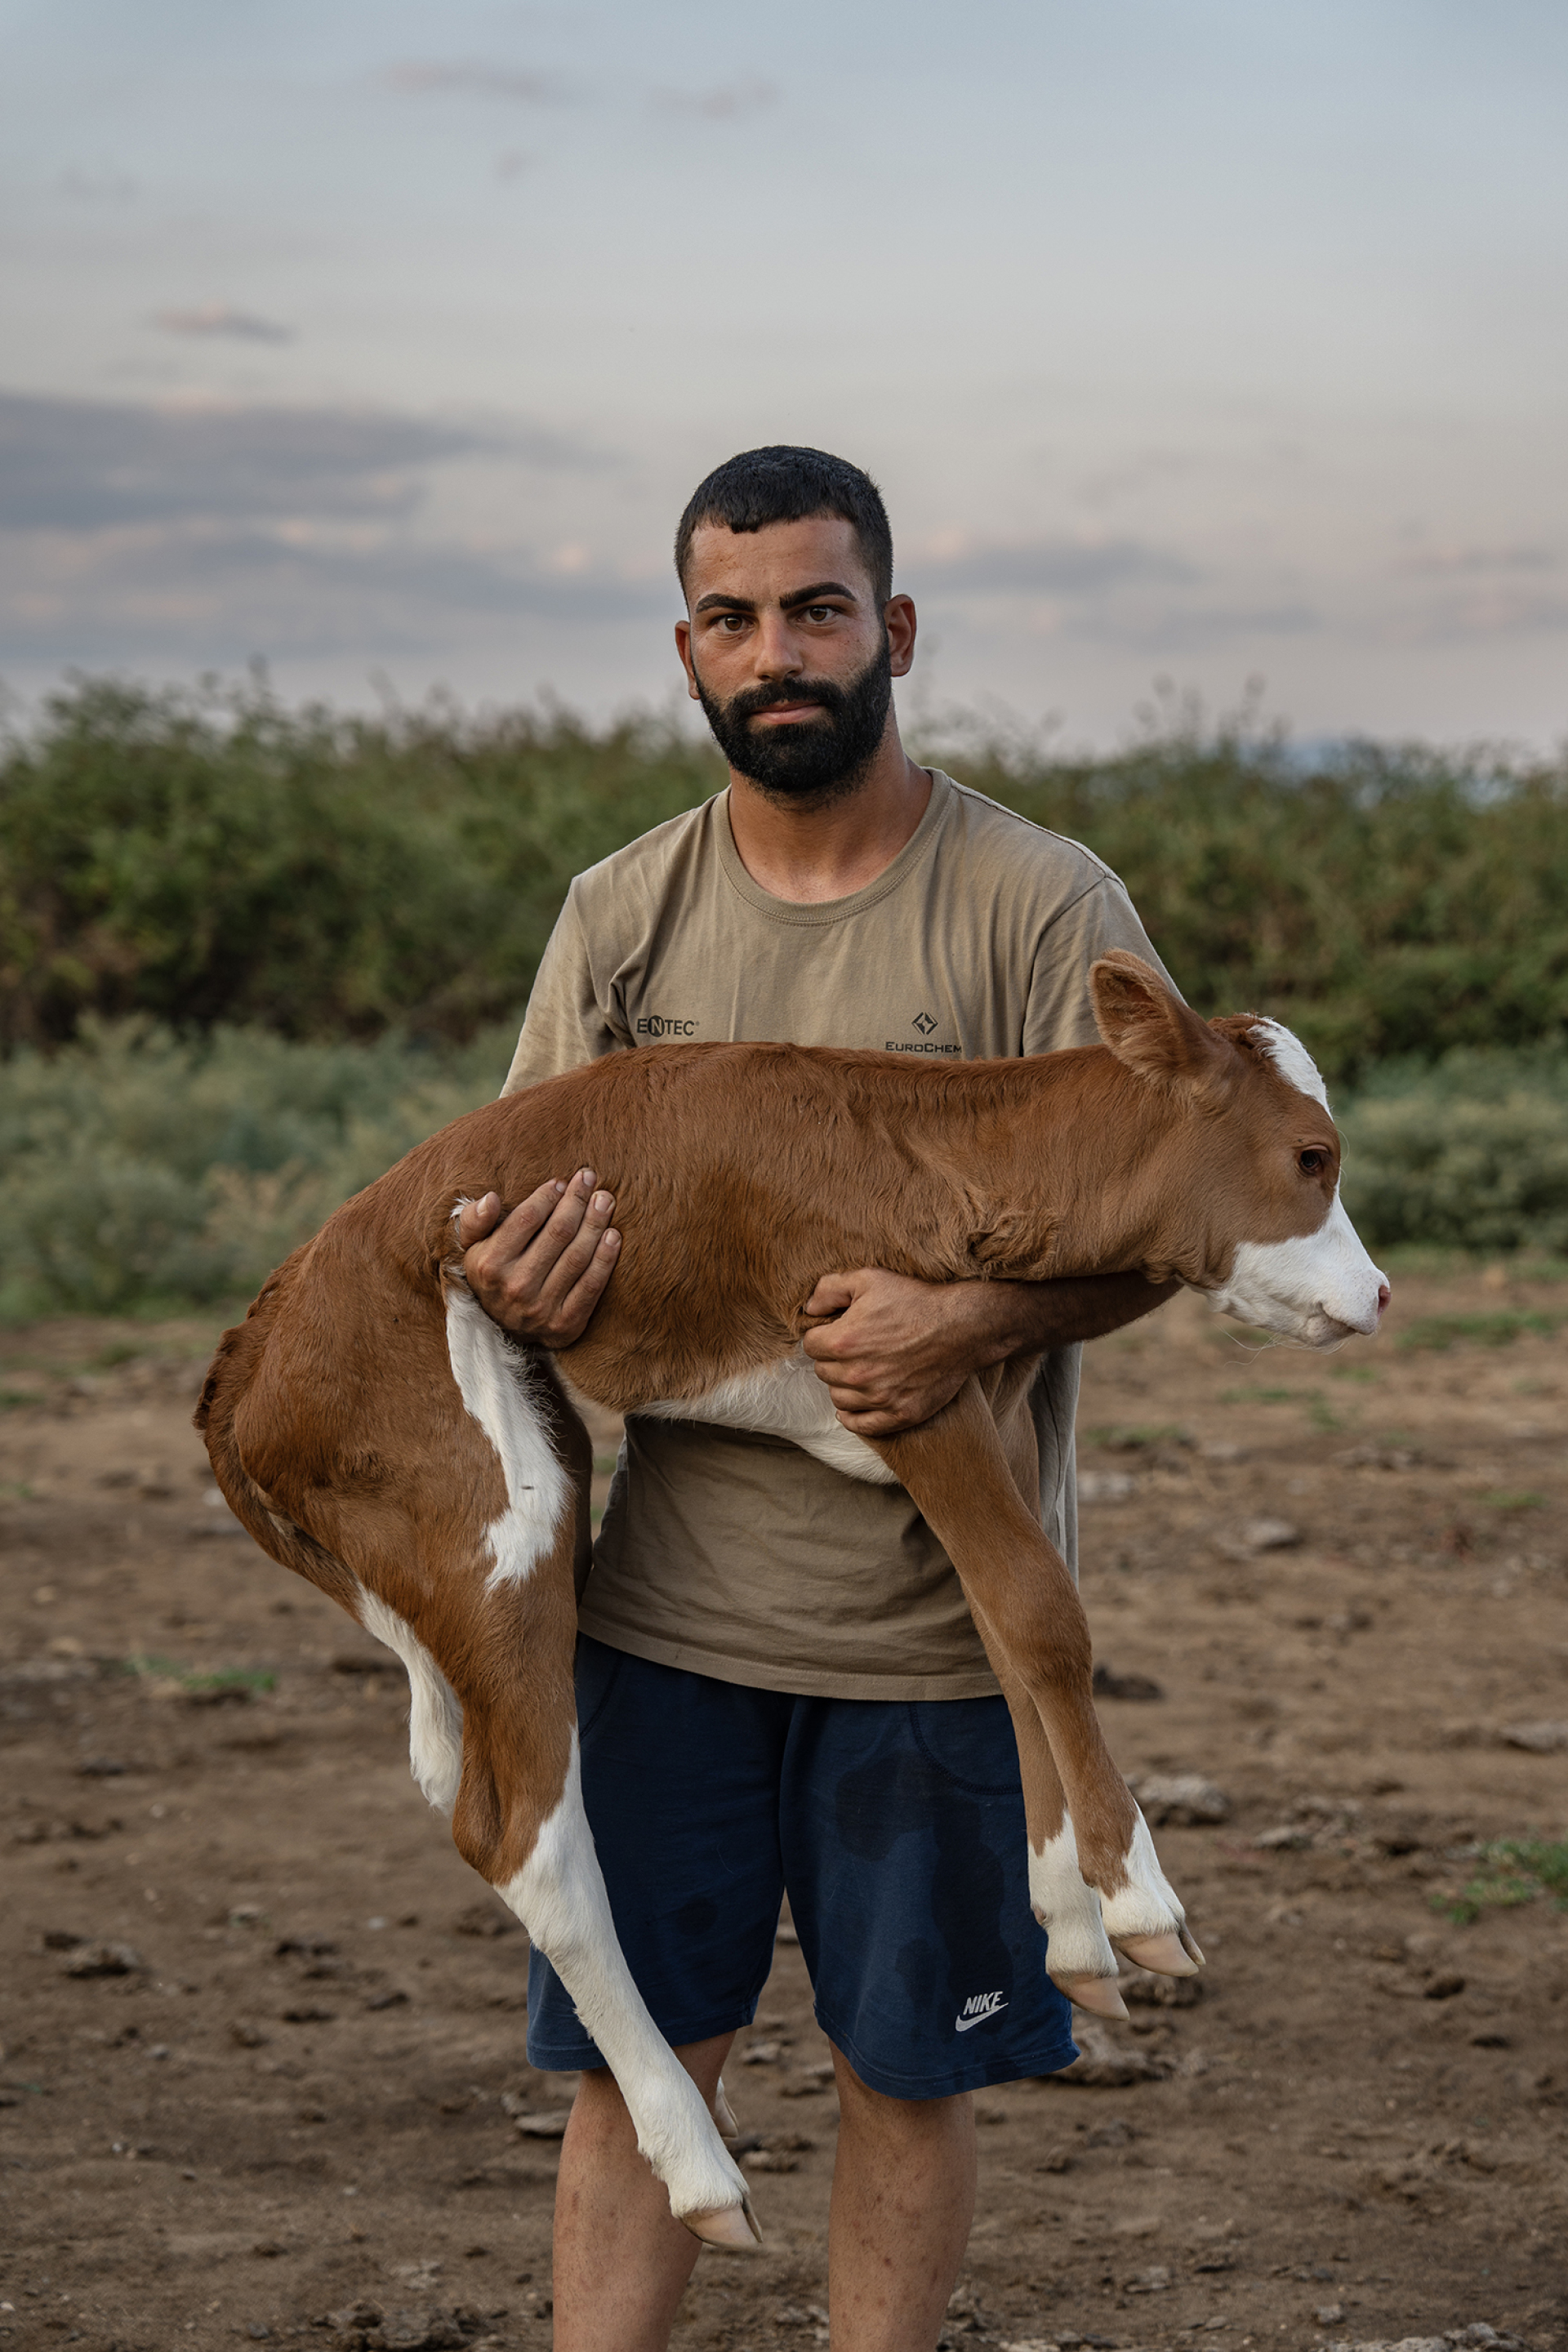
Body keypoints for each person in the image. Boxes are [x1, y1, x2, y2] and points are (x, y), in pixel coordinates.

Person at [457, 447, 1177, 2352]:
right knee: (641, 2063)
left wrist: (964, 1323)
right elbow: (513, 1217)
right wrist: (513, 1279)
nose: (777, 652)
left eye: (816, 610)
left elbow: (1173, 1215)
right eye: (733, 618)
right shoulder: (622, 917)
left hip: (932, 1636)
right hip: (665, 1622)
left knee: (900, 2071)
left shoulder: (1040, 904)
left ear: (896, 631)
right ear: (687, 649)